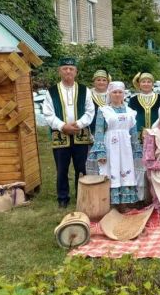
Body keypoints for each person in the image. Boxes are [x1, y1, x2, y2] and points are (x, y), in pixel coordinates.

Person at [42, 57, 95, 208]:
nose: (68, 71)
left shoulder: (85, 90)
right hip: (60, 135)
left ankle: (82, 196)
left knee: (82, 167)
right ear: (59, 71)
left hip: (81, 134)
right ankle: (63, 198)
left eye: (71, 69)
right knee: (62, 168)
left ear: (76, 72)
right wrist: (62, 126)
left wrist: (78, 124)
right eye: (65, 68)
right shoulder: (51, 92)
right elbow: (48, 113)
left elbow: (90, 111)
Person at [86, 81, 143, 208]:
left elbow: (133, 132)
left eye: (120, 92)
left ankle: (125, 202)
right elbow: (99, 131)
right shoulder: (104, 110)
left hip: (126, 147)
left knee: (126, 170)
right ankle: (110, 203)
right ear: (109, 94)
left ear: (124, 94)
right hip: (110, 146)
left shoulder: (130, 111)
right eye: (114, 92)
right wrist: (101, 152)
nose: (117, 95)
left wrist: (136, 149)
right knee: (111, 170)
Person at [128, 71, 160, 138]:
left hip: (158, 135)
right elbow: (129, 119)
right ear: (139, 84)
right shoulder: (133, 100)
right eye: (143, 82)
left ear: (152, 84)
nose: (146, 84)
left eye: (149, 82)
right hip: (138, 135)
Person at [89, 69, 110, 134]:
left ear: (108, 82)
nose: (101, 82)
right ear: (94, 81)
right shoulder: (88, 94)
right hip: (92, 128)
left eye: (104, 80)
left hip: (110, 130)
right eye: (98, 80)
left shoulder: (112, 94)